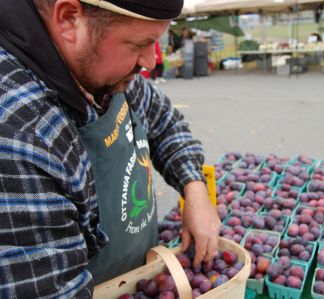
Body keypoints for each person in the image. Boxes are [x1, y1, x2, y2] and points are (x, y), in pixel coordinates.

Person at [0, 0, 220, 297]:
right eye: (139, 44)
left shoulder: (108, 71)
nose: (151, 61)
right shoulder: (19, 134)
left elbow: (166, 123)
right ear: (68, 19)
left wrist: (194, 189)